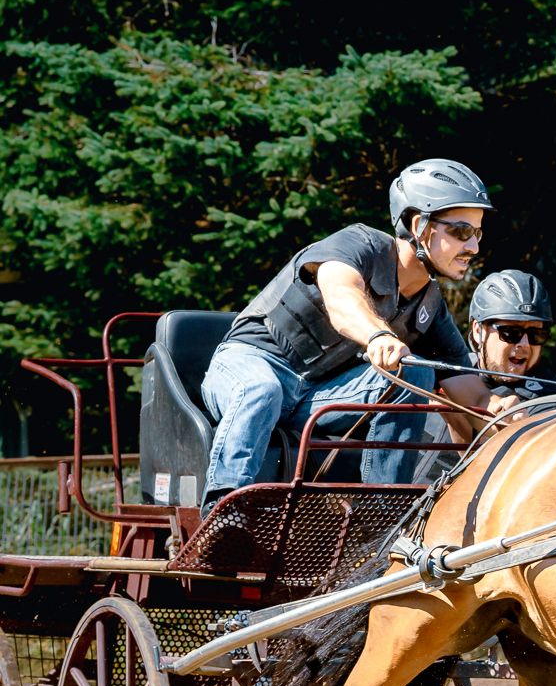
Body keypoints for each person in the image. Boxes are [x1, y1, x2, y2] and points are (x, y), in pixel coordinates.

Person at [198, 158, 519, 516]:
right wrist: (377, 335)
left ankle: (380, 517)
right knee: (262, 390)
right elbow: (341, 295)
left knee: (414, 371)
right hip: (251, 362)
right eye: (461, 231)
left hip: (314, 396)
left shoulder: (430, 308)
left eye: (477, 234)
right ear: (419, 225)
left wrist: (501, 411)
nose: (473, 247)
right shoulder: (359, 245)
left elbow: (473, 396)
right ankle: (224, 511)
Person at [414, 269, 556, 481]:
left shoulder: (551, 399)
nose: (524, 344)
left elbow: (504, 480)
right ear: (478, 331)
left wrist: (457, 419)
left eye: (536, 335)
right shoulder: (447, 367)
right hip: (390, 495)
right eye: (510, 332)